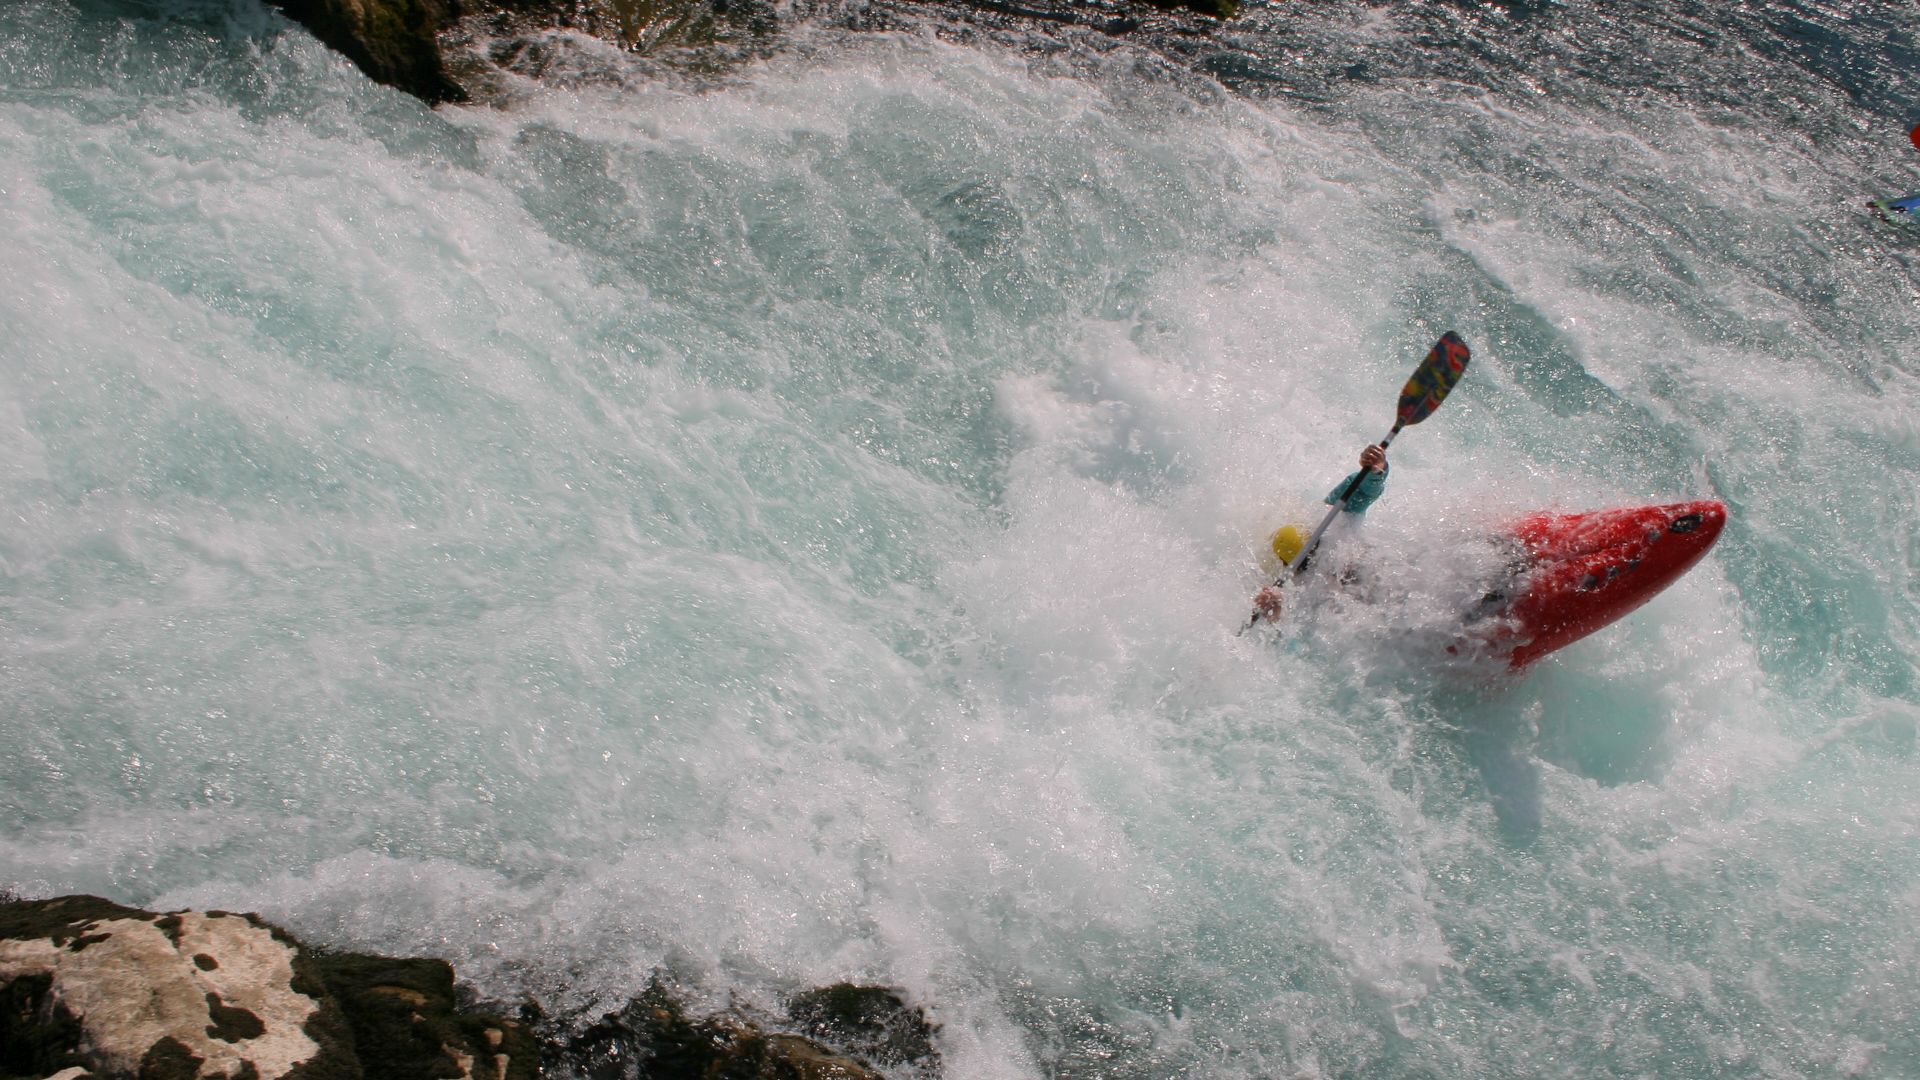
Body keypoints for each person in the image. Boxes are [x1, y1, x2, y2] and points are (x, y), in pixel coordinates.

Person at [1252, 444, 1388, 619]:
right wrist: (1273, 615)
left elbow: (1361, 492)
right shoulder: (1305, 587)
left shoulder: (1332, 522)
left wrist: (1374, 472)